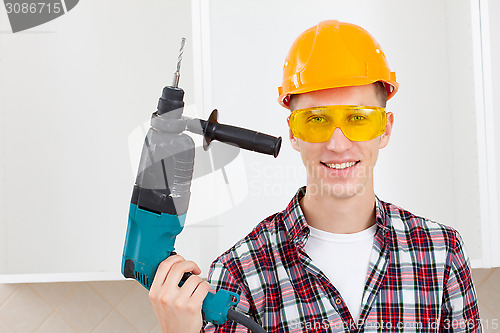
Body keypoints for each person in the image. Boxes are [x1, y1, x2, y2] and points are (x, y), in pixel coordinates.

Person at [149, 20, 482, 332]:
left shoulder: (441, 253)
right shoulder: (242, 272)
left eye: (358, 118)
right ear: (293, 133)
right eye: (317, 120)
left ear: (385, 129)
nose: (338, 144)